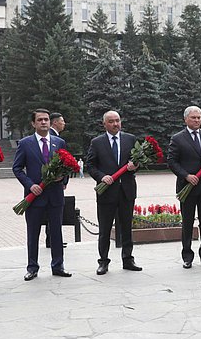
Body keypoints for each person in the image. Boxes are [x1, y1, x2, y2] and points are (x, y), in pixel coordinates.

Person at [13, 108, 72, 281]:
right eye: (40, 120)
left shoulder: (59, 142)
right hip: (34, 197)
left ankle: (58, 265)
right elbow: (17, 168)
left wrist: (63, 179)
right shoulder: (25, 143)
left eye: (46, 119)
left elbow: (66, 164)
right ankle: (32, 268)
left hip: (55, 196)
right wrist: (30, 186)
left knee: (56, 232)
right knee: (33, 233)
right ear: (33, 123)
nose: (44, 122)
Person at [86, 110, 143, 275]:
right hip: (106, 193)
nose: (115, 124)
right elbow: (90, 165)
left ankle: (128, 259)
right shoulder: (97, 142)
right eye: (111, 121)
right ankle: (103, 262)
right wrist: (102, 177)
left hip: (126, 191)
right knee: (104, 230)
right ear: (104, 124)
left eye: (117, 120)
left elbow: (137, 161)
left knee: (126, 227)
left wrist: (135, 166)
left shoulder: (130, 139)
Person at [167, 106, 201, 268]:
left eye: (199, 117)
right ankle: (187, 256)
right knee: (187, 222)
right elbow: (172, 161)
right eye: (193, 118)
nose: (197, 120)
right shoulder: (177, 138)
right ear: (186, 119)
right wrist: (186, 176)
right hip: (187, 187)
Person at [45, 112, 68, 249]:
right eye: (62, 120)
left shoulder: (57, 137)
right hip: (53, 183)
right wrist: (63, 180)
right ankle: (52, 240)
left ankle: (52, 239)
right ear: (54, 123)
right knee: (52, 212)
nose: (64, 123)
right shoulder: (52, 138)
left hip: (56, 181)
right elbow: (58, 162)